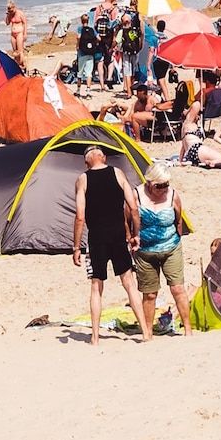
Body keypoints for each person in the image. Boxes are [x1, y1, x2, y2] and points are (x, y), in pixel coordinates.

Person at [70, 148, 139, 349]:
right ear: (105, 158)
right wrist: (136, 233)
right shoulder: (118, 173)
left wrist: (76, 247)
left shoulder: (83, 179)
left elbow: (80, 216)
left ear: (86, 163)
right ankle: (145, 333)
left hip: (97, 238)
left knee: (96, 287)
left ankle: (95, 338)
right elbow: (133, 207)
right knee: (129, 283)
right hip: (118, 235)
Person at [131, 165, 189, 337]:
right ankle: (147, 332)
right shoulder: (136, 196)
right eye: (160, 185)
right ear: (149, 183)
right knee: (149, 294)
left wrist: (177, 239)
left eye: (166, 184)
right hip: (145, 252)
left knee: (178, 288)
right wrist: (131, 240)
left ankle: (188, 330)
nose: (164, 188)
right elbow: (127, 219)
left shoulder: (172, 195)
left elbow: (179, 221)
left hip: (171, 247)